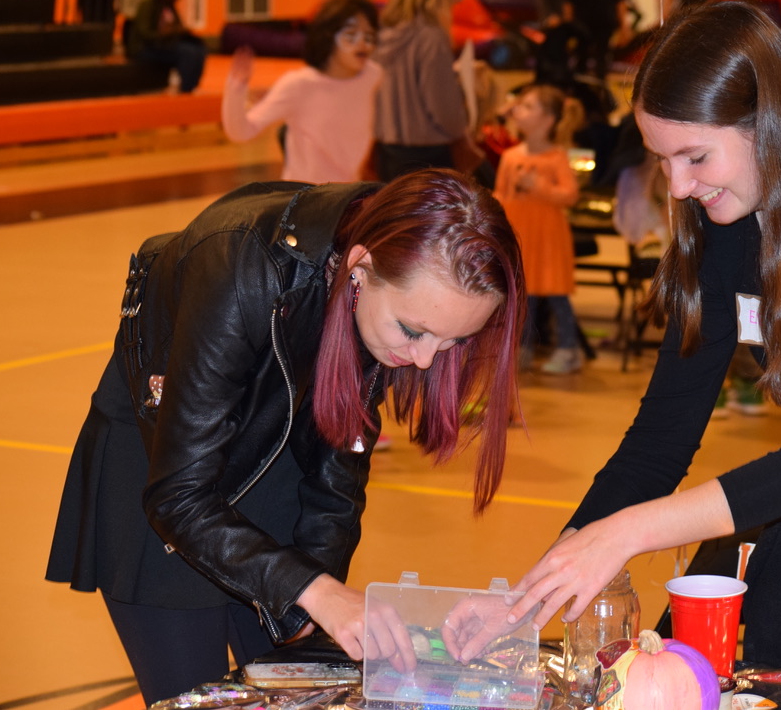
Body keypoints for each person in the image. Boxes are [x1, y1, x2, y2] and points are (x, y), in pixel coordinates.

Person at [446, 1, 781, 676]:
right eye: (662, 159)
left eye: (695, 156)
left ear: (773, 125)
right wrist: (524, 602)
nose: (678, 185)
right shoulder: (728, 227)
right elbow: (657, 443)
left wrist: (627, 533)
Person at [45, 169, 526, 704]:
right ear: (360, 268)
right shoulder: (236, 261)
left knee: (299, 691)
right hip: (165, 476)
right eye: (413, 331)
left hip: (274, 463)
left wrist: (315, 590)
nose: (422, 359)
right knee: (194, 691)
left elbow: (338, 472)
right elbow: (180, 495)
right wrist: (315, 591)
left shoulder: (394, 288)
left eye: (453, 340)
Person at [222, 0, 382, 184]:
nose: (362, 43)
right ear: (328, 37)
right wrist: (236, 89)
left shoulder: (374, 77)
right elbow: (242, 132)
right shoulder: (299, 85)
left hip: (347, 198)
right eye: (351, 35)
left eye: (369, 36)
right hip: (305, 200)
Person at [495, 85, 584, 374]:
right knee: (523, 296)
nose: (519, 110)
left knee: (556, 295)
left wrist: (539, 187)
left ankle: (569, 349)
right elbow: (502, 196)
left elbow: (569, 195)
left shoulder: (556, 157)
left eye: (528, 106)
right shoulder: (510, 156)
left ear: (547, 120)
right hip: (521, 236)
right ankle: (522, 349)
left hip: (548, 238)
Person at [373, 0, 476, 181]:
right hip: (429, 153)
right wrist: (462, 128)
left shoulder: (386, 30)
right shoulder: (432, 36)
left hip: (387, 149)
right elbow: (442, 106)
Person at [125, 0, 207, 93]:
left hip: (165, 45)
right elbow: (144, 33)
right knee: (188, 52)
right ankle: (186, 88)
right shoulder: (149, 3)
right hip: (145, 48)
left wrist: (179, 31)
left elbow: (176, 28)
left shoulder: (169, 6)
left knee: (199, 49)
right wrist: (164, 33)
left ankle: (191, 86)